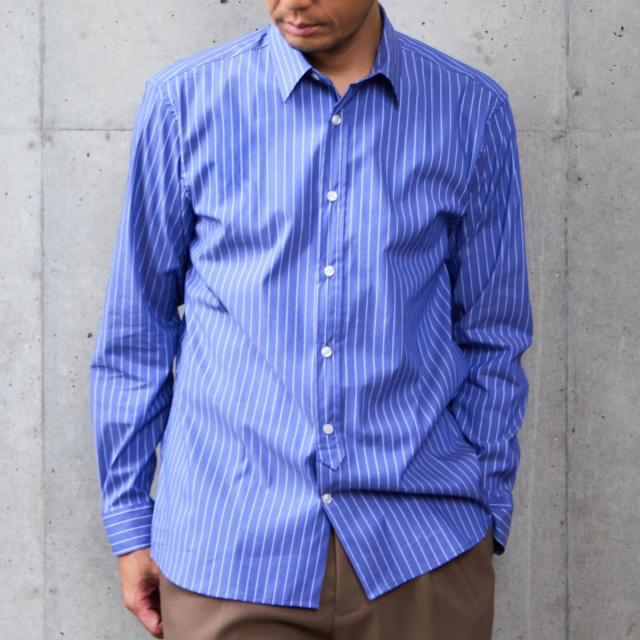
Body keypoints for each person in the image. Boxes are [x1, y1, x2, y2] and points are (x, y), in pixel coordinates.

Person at [89, 1, 533, 638]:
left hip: (422, 551)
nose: (290, 3)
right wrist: (131, 526)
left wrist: (485, 505)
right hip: (229, 553)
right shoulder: (183, 102)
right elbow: (138, 331)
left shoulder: (470, 109)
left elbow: (493, 332)